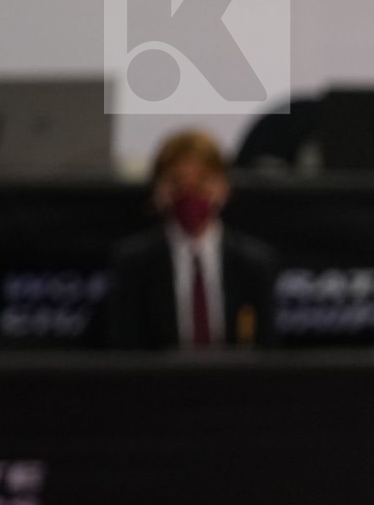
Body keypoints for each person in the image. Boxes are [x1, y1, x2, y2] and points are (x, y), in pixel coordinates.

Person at [106, 129, 279, 350]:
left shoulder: (254, 262)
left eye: (202, 182)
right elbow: (125, 349)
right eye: (177, 182)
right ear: (158, 190)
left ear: (224, 187)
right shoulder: (133, 262)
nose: (190, 194)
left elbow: (266, 351)